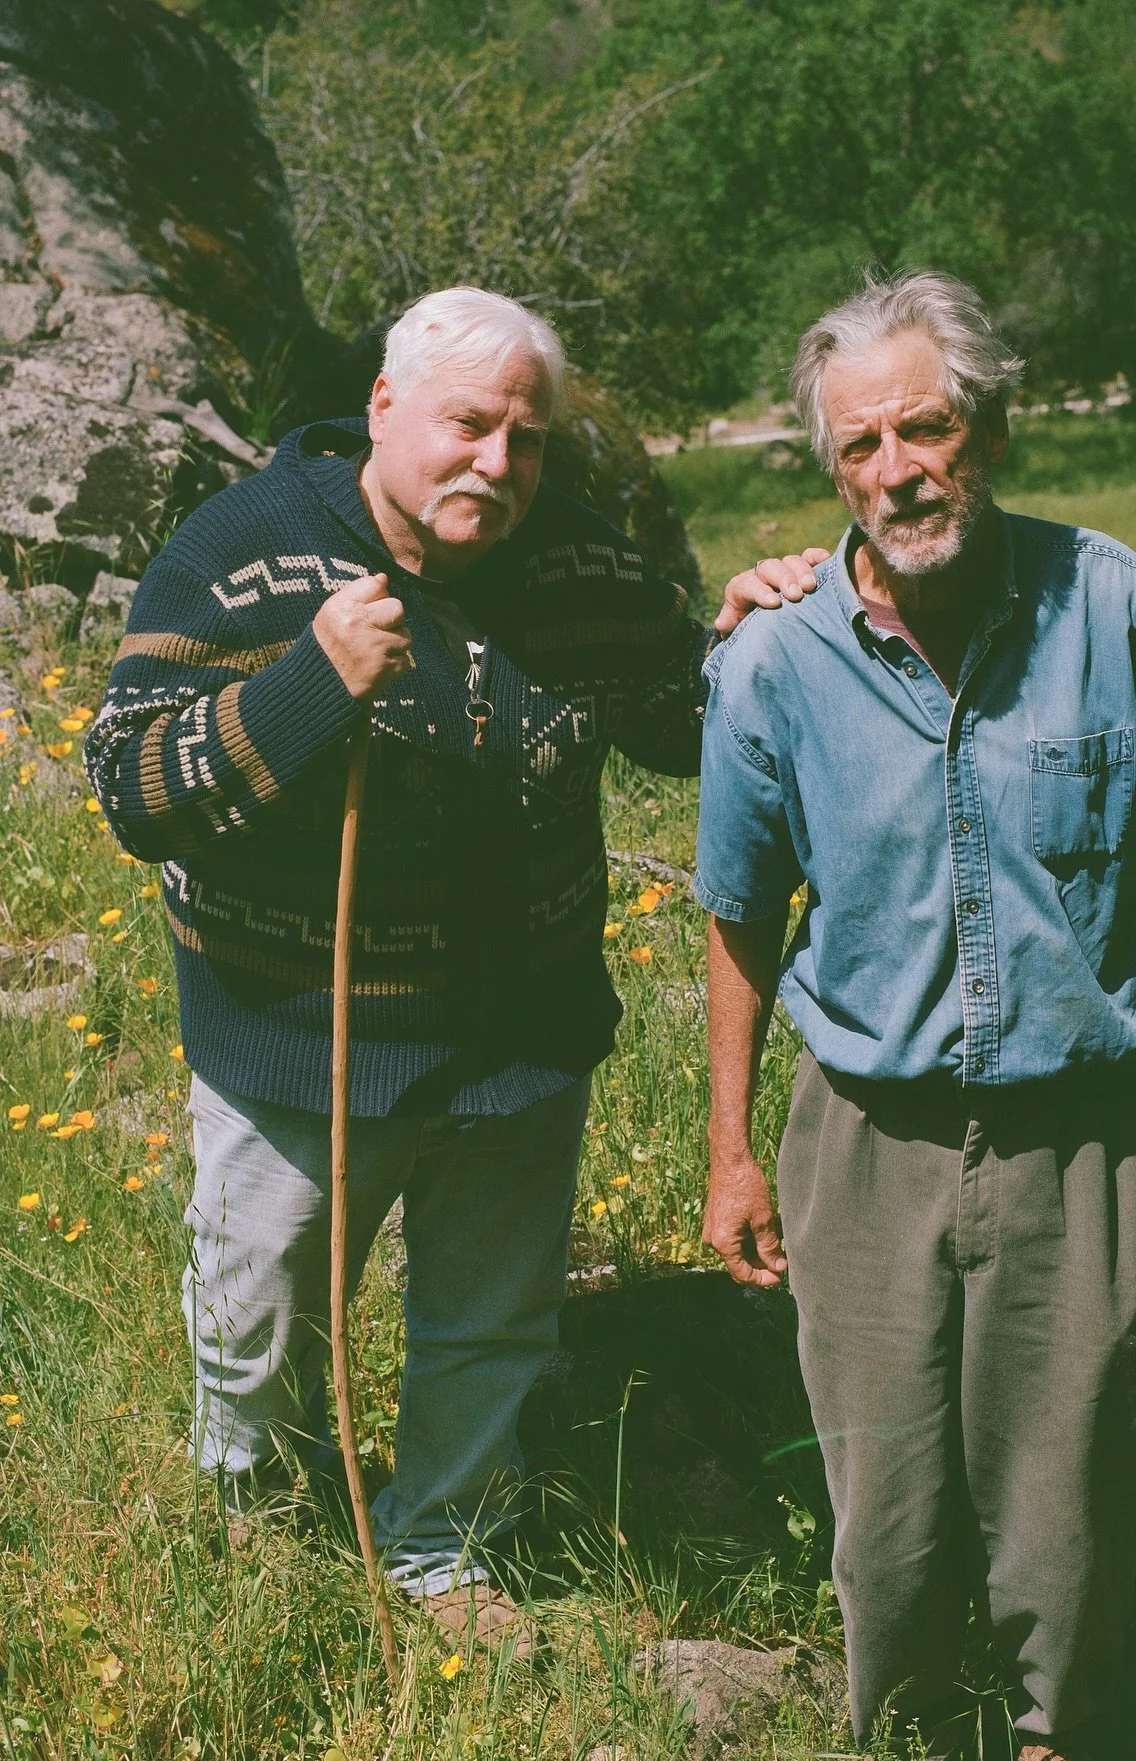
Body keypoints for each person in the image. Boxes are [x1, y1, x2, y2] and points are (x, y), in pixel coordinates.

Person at [84, 285, 816, 1648]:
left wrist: (742, 642)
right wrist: (309, 682)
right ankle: (261, 1521)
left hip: (515, 1029)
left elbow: (681, 725)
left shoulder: (574, 560)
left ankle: (445, 1546)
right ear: (383, 408)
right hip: (298, 1028)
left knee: (489, 1319)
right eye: (468, 425)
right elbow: (134, 790)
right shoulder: (241, 552)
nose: (497, 463)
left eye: (525, 439)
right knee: (263, 1308)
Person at [694, 270, 1136, 1759]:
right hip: (866, 1139)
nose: (898, 471)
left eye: (926, 428)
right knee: (885, 1514)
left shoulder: (1115, 605)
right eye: (860, 446)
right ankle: (912, 1735)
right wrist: (731, 1152)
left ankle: (1061, 1732)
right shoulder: (773, 658)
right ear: (832, 471)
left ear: (988, 432)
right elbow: (739, 912)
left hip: (1083, 1130)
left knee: (1070, 1501)